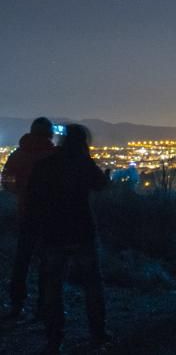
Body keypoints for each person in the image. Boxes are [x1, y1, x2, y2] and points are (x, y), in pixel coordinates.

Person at [26, 124, 109, 352]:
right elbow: (101, 184)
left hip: (53, 232)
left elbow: (33, 197)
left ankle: (54, 335)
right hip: (82, 230)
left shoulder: (46, 165)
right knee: (92, 283)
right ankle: (98, 331)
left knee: (53, 285)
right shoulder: (83, 164)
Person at [1, 117, 56, 320]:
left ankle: (17, 303)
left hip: (25, 213)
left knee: (22, 259)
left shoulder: (18, 155)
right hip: (50, 215)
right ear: (49, 133)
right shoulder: (53, 156)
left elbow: (6, 181)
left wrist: (20, 192)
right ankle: (43, 306)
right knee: (47, 262)